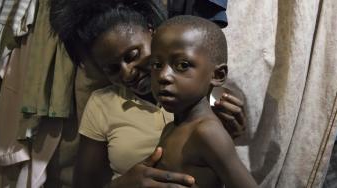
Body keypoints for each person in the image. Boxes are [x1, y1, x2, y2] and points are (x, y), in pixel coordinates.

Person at [49, 1, 247, 187]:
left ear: (152, 33)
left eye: (132, 55)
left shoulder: (200, 96)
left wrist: (228, 137)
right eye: (112, 69)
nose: (127, 73)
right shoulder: (102, 104)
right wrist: (121, 185)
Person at [150, 15, 257, 188]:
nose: (163, 76)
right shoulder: (172, 128)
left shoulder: (207, 133)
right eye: (156, 64)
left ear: (217, 75)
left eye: (182, 65)